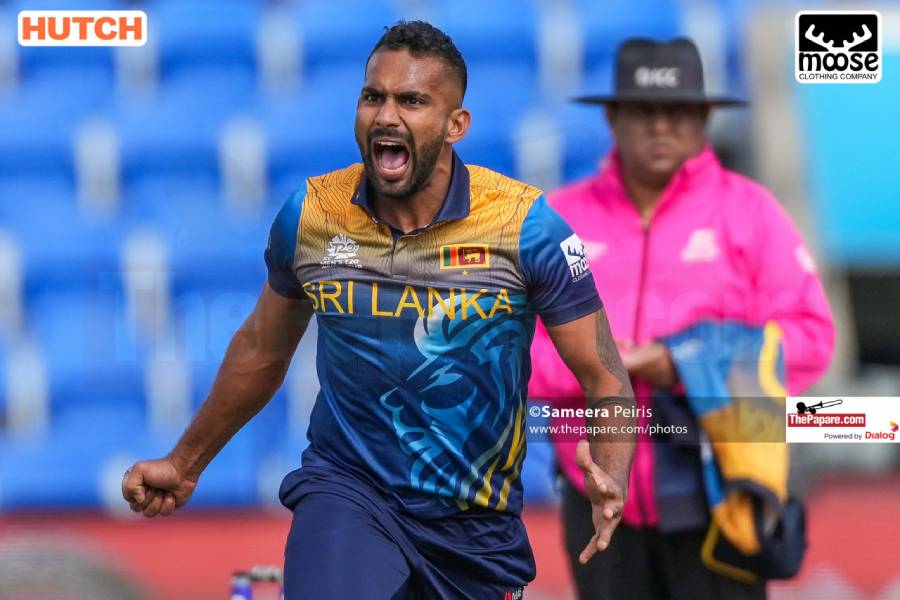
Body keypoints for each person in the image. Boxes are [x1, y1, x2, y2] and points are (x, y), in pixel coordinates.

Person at [121, 21, 636, 600]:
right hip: (348, 490)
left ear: (455, 125)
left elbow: (605, 376)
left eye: (412, 101)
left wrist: (612, 473)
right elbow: (262, 351)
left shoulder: (526, 227)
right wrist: (185, 463)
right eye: (373, 97)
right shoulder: (313, 215)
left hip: (475, 527)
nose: (386, 116)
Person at [529, 38, 835, 600]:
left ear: (705, 117)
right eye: (643, 110)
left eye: (679, 110)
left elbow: (811, 339)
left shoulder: (751, 213)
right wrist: (604, 365)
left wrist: (683, 362)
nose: (661, 125)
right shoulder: (559, 218)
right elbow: (514, 346)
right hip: (598, 496)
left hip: (721, 491)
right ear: (612, 117)